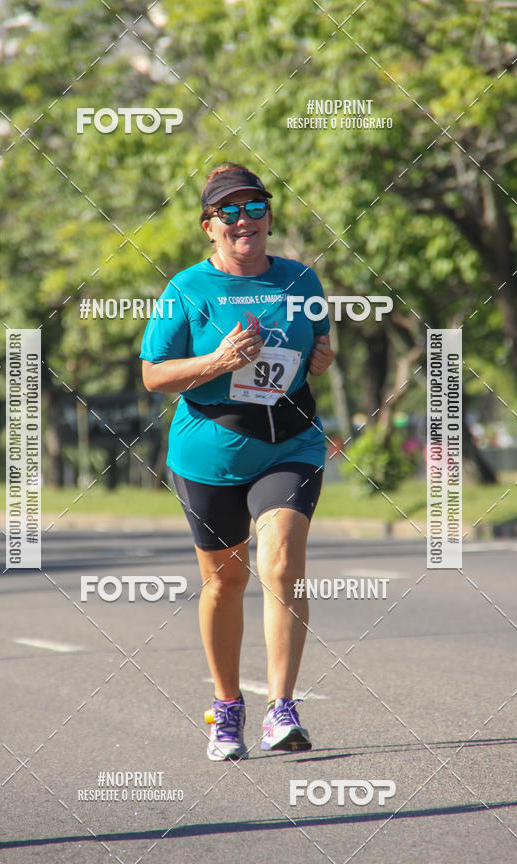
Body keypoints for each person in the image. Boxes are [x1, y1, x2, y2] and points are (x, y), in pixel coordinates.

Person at [140, 163, 334, 760]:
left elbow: (317, 350)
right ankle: (227, 709)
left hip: (291, 441)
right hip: (211, 450)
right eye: (229, 211)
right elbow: (153, 375)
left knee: (280, 560)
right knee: (225, 582)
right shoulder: (186, 291)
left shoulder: (301, 281)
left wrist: (321, 360)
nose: (243, 220)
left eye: (254, 208)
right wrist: (219, 360)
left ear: (269, 217)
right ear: (209, 227)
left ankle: (282, 707)